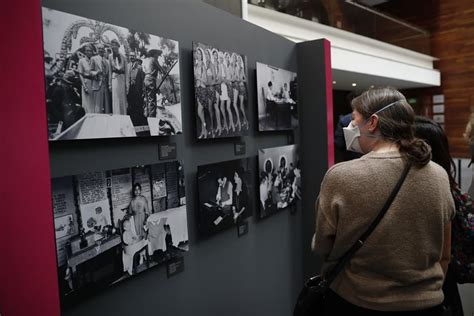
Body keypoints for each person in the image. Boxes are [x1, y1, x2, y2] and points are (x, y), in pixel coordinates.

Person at [312, 87, 454, 315]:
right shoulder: (438, 175)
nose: (350, 127)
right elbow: (444, 253)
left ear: (373, 122)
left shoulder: (340, 176)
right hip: (427, 305)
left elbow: (322, 246)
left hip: (356, 302)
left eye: (354, 119)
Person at [414, 116, 465, 316]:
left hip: (433, 285)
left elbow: (444, 255)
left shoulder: (431, 190)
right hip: (443, 283)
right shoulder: (450, 186)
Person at [108, 39, 128, 115]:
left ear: (118, 46)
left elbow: (126, 72)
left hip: (122, 78)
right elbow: (110, 71)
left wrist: (127, 85)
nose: (114, 48)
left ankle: (123, 115)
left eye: (115, 46)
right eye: (112, 47)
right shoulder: (110, 57)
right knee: (115, 98)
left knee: (122, 98)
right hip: (114, 78)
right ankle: (116, 114)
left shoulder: (123, 57)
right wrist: (109, 84)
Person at [143, 48, 163, 118]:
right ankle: (152, 119)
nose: (158, 56)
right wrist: (166, 74)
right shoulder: (154, 59)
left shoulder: (148, 60)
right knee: (152, 100)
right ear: (154, 54)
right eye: (157, 54)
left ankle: (147, 117)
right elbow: (161, 69)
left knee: (147, 99)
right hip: (151, 80)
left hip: (146, 79)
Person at [90, 43, 110, 113]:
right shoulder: (93, 59)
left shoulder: (107, 61)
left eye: (102, 48)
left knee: (106, 105)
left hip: (105, 84)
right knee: (98, 105)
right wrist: (96, 73)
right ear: (97, 49)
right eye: (99, 48)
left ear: (104, 50)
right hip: (97, 84)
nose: (101, 50)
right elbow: (90, 71)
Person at [77, 44, 95, 113]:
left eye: (90, 51)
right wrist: (84, 86)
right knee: (87, 104)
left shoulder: (94, 60)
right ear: (85, 52)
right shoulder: (82, 61)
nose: (89, 52)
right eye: (87, 51)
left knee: (94, 103)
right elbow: (80, 74)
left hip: (94, 84)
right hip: (86, 83)